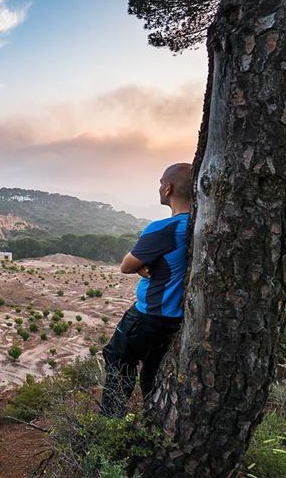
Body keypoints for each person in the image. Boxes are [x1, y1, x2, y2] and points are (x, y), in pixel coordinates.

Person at [100, 162, 192, 418]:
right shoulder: (196, 226)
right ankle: (153, 420)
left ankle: (109, 426)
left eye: (160, 183)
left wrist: (141, 266)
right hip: (176, 321)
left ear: (168, 188)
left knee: (117, 360)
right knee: (153, 372)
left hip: (148, 316)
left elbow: (126, 265)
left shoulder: (164, 228)